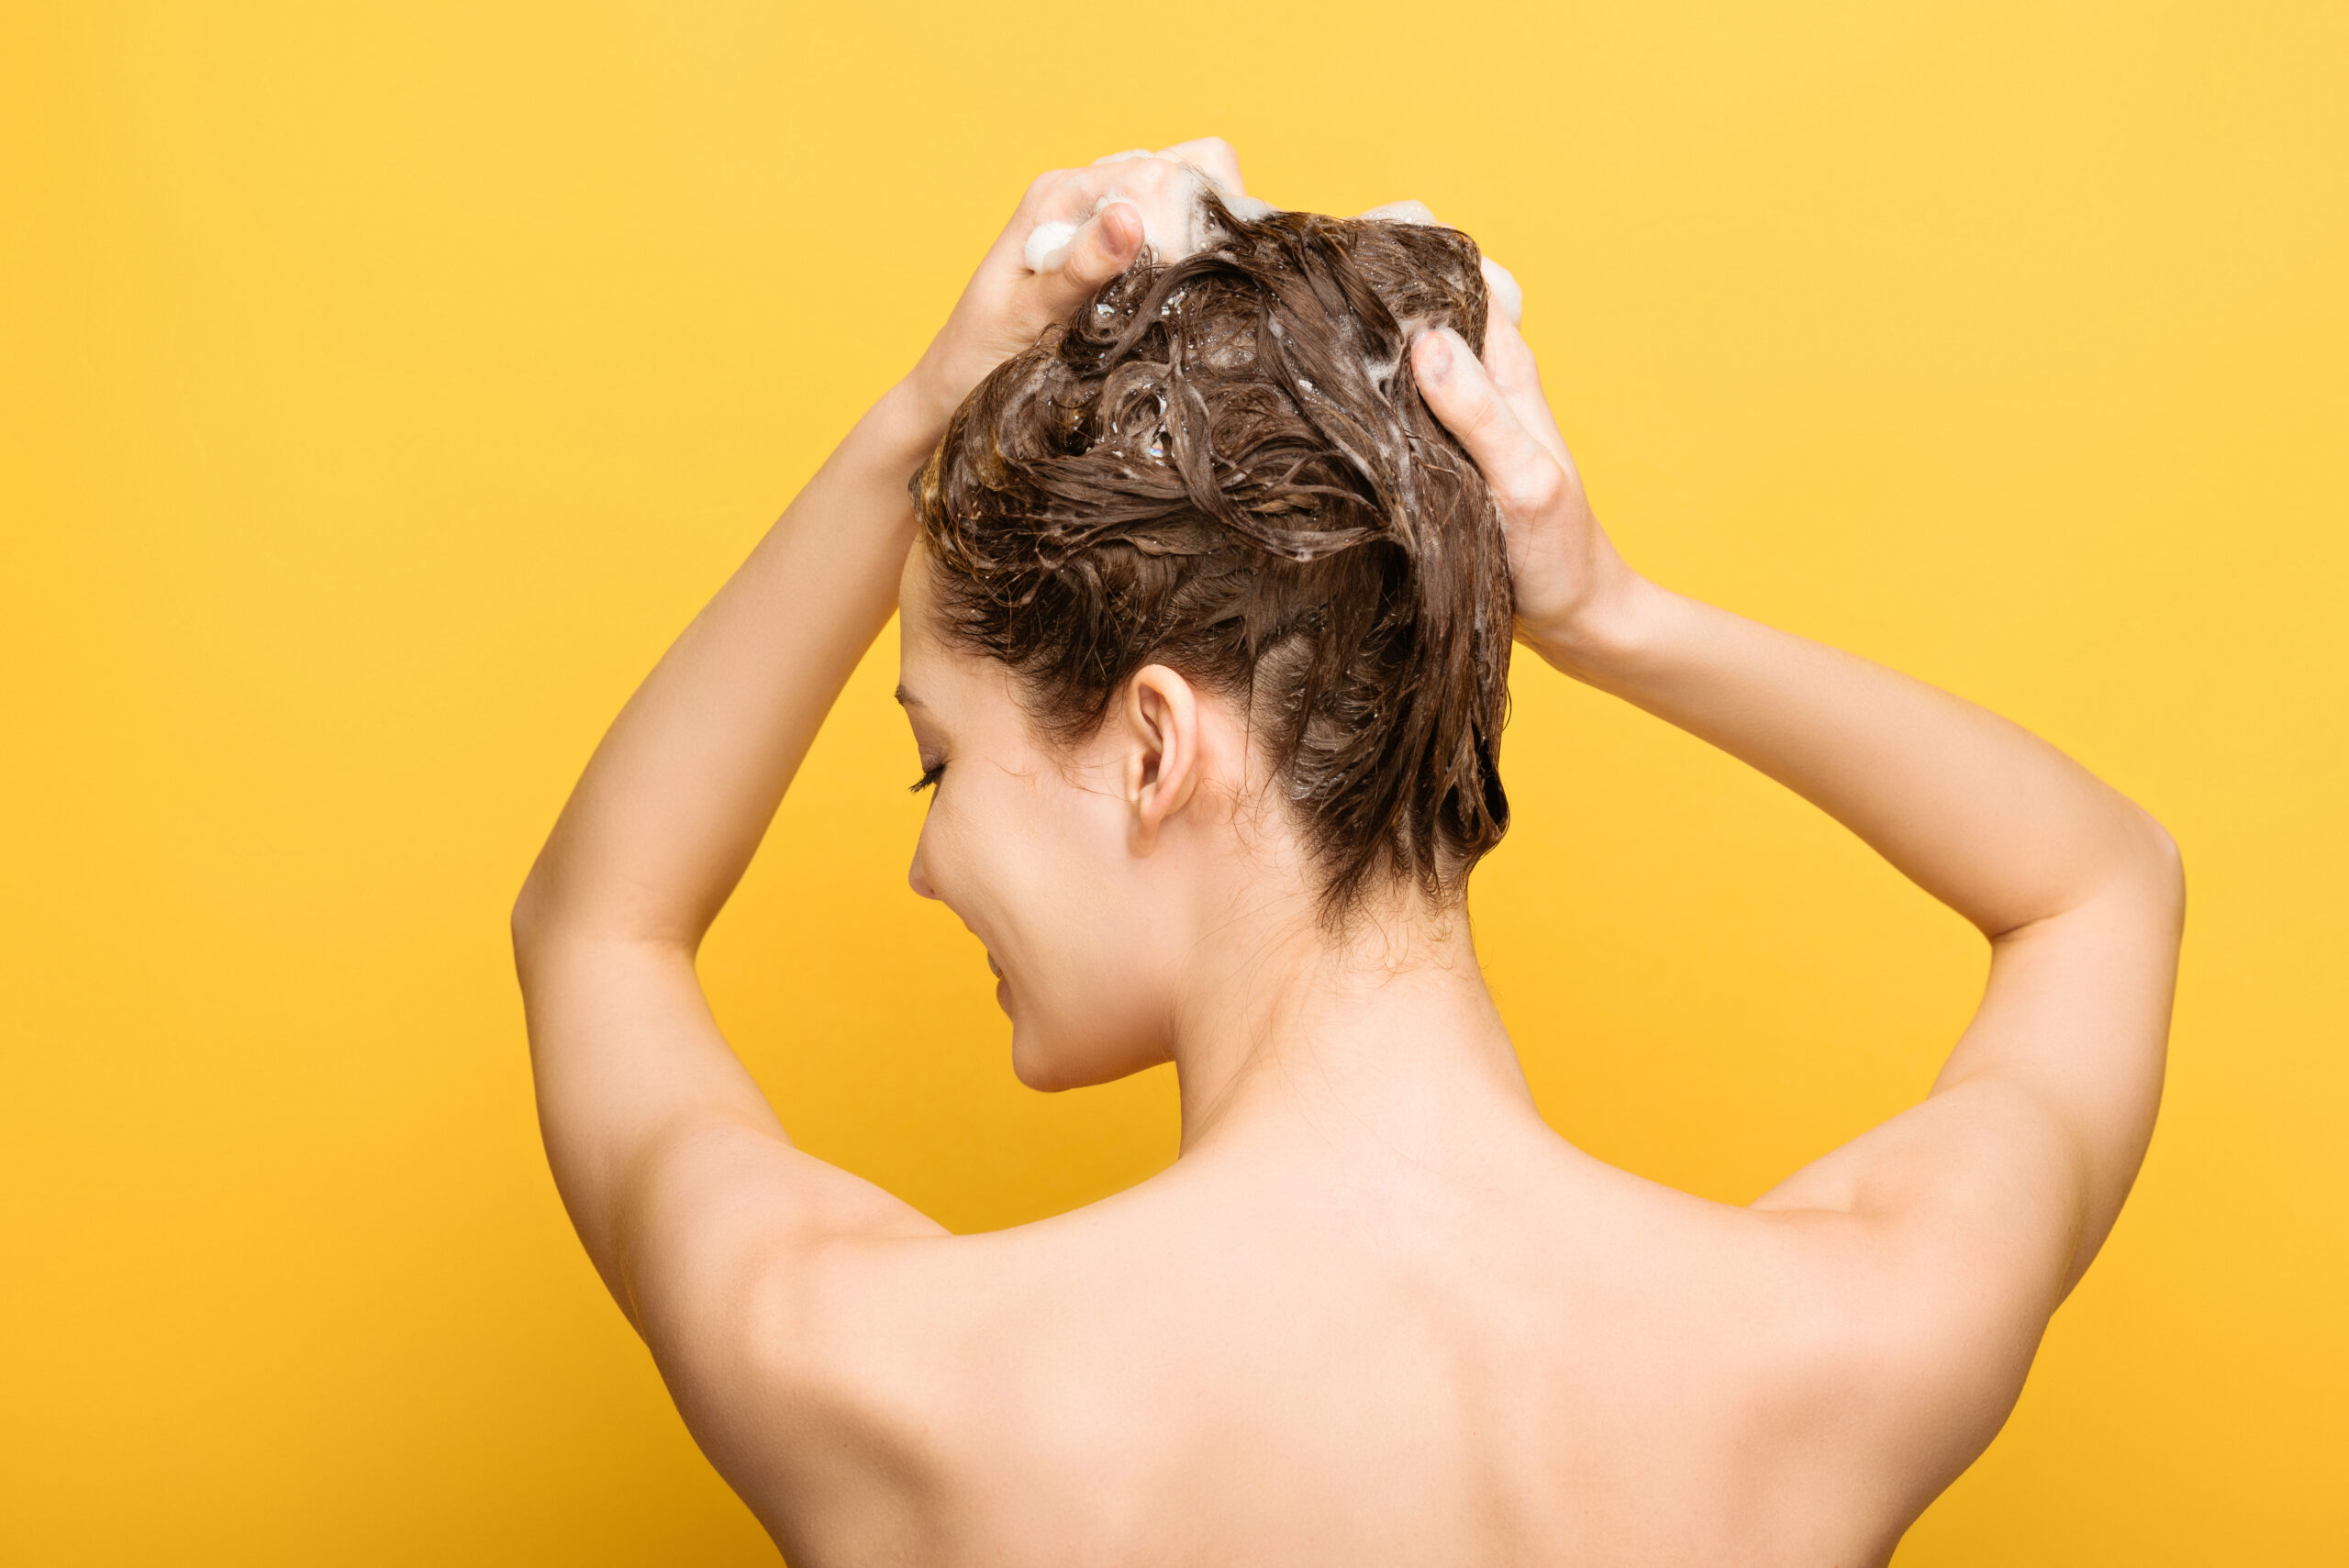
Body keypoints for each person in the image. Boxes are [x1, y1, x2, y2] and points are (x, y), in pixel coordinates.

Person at [511, 139, 2183, 1566]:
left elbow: (602, 929)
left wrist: (914, 415)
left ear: (1157, 743)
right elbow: (2099, 886)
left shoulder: (910, 1384)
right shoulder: (1837, 1346)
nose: (927, 867)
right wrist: (1612, 614)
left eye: (937, 763)